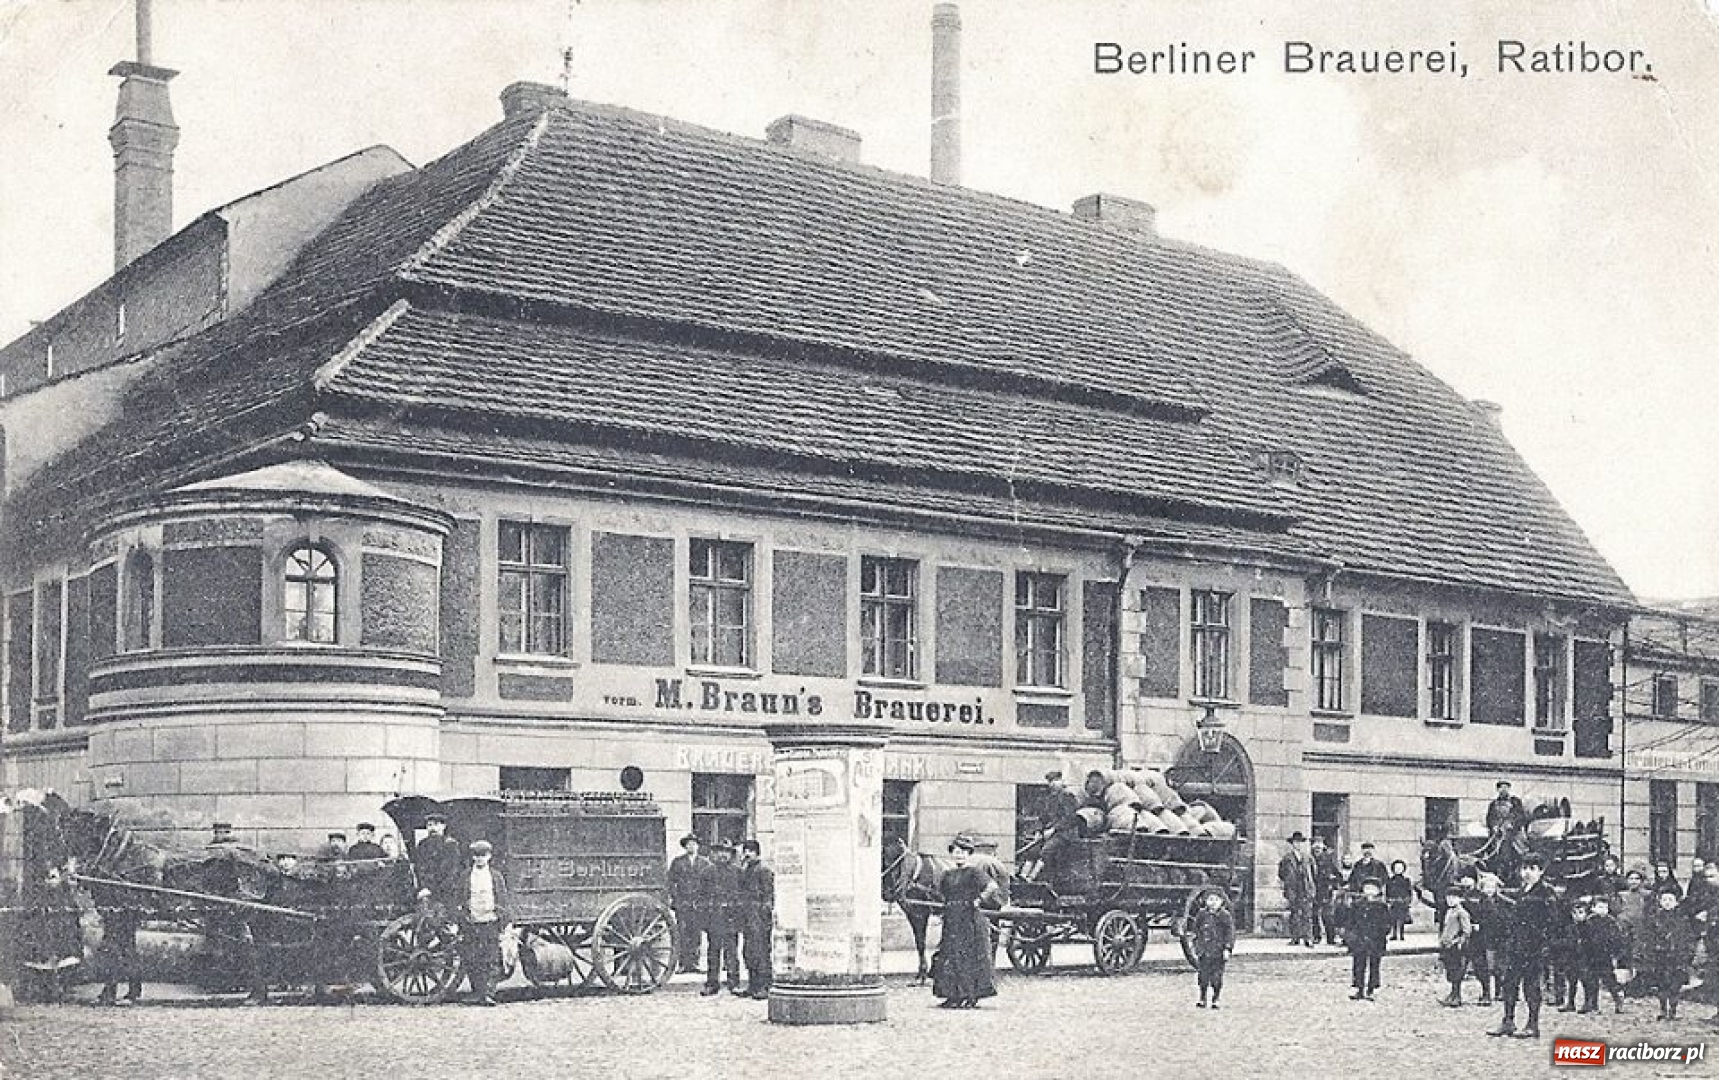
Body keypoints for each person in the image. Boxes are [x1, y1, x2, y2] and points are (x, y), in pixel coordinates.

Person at [1490, 852, 1556, 1039]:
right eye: (1524, 868)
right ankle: (1508, 1021)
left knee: (1531, 986)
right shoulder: (1522, 891)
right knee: (1509, 984)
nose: (1527, 873)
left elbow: (1552, 923)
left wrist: (1544, 946)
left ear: (1541, 871)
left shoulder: (1545, 893)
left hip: (1534, 948)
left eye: (1532, 869)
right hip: (1516, 946)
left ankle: (1532, 1024)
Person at [931, 834, 1001, 1009]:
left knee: (967, 957)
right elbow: (942, 894)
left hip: (970, 920)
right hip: (952, 919)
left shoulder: (974, 873)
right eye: (956, 852)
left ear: (969, 854)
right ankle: (952, 995)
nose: (959, 855)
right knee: (949, 955)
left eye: (962, 852)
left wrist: (979, 899)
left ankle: (970, 996)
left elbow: (992, 886)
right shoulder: (947, 875)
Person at [456, 840, 511, 1006]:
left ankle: (488, 993)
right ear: (473, 857)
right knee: (472, 959)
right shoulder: (466, 876)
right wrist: (462, 917)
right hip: (472, 922)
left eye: (483, 856)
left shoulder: (496, 876)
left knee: (491, 959)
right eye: (477, 856)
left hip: (490, 922)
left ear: (489, 856)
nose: (480, 859)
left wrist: (504, 920)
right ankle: (477, 992)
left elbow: (502, 898)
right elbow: (460, 897)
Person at [1638, 888, 1697, 1021]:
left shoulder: (1682, 920)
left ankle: (1673, 1011)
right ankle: (1663, 1009)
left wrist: (1687, 955)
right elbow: (1648, 938)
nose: (1667, 902)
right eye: (1664, 899)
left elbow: (1688, 938)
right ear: (1659, 902)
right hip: (1660, 957)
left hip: (1677, 958)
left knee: (1675, 985)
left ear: (1676, 902)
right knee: (1662, 984)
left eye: (1670, 899)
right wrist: (1650, 953)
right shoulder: (1654, 919)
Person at [1020, 771, 1082, 882]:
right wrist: (1038, 831)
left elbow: (1070, 818)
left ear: (1061, 782)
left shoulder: (1068, 797)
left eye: (1055, 781)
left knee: (1046, 850)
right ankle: (1023, 876)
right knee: (1032, 850)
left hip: (1065, 834)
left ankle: (1032, 877)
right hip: (1049, 833)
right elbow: (1043, 818)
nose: (1052, 784)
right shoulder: (1049, 799)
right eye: (1050, 781)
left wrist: (1054, 829)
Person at [700, 840, 742, 996]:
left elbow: (742, 895)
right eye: (719, 852)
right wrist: (705, 917)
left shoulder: (738, 872)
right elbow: (701, 896)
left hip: (731, 917)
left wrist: (738, 915)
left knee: (731, 952)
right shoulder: (707, 872)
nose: (723, 855)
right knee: (713, 952)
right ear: (714, 854)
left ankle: (734, 983)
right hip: (714, 917)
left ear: (730, 854)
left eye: (726, 852)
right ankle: (712, 983)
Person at [667, 833, 710, 974]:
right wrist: (675, 898)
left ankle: (695, 963)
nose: (691, 846)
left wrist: (704, 900)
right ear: (685, 846)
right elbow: (671, 882)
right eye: (689, 844)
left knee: (696, 933)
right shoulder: (677, 862)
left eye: (694, 844)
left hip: (698, 904)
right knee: (682, 933)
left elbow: (709, 883)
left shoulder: (705, 863)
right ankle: (683, 964)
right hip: (683, 903)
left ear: (698, 846)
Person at [1576, 894, 1626, 1015]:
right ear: (1593, 908)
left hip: (1604, 956)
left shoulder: (1611, 922)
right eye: (1599, 907)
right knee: (1590, 981)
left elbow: (1617, 938)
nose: (1603, 910)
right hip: (1590, 955)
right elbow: (1582, 936)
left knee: (1609, 980)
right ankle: (1592, 1005)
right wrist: (1580, 923)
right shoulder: (1589, 921)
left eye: (1605, 907)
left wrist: (1615, 953)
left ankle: (1618, 999)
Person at [737, 839, 774, 999]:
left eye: (750, 851)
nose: (747, 854)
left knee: (761, 952)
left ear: (757, 853)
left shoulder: (763, 870)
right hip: (748, 915)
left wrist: (764, 916)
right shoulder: (746, 869)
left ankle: (765, 986)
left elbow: (768, 895)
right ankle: (752, 986)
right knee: (749, 952)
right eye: (745, 850)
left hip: (759, 916)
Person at [1345, 877, 1391, 1000]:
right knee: (1359, 965)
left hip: (1375, 940)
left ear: (1378, 891)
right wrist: (1351, 936)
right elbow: (1351, 922)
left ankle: (1372, 989)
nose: (1369, 891)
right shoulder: (1357, 905)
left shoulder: (1382, 906)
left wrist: (1380, 934)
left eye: (1373, 889)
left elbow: (1386, 924)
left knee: (1374, 965)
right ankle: (1359, 988)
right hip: (1359, 939)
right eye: (1367, 888)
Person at [1189, 889, 1236, 1009]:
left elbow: (1230, 933)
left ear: (1221, 902)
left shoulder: (1225, 916)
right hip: (1204, 950)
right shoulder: (1202, 914)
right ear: (1206, 901)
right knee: (1203, 976)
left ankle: (1216, 998)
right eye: (1210, 899)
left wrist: (1227, 948)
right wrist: (1196, 944)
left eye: (1216, 900)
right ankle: (1202, 997)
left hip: (1218, 951)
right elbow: (1196, 930)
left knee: (1216, 977)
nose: (1213, 902)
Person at [413, 811, 463, 913]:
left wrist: (432, 890)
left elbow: (451, 873)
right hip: (424, 894)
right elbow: (419, 869)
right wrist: (423, 888)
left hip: (446, 893)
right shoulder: (422, 845)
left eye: (436, 824)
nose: (432, 828)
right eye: (429, 825)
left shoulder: (450, 845)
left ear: (443, 826)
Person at [1464, 872, 1502, 1006]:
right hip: (1480, 938)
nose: (1489, 890)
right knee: (1481, 966)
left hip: (1497, 938)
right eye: (1487, 887)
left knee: (1497, 965)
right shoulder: (1476, 901)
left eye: (1492, 887)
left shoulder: (1503, 902)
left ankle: (1499, 991)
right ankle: (1486, 992)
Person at [1436, 877, 1474, 1007]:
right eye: (1448, 897)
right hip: (1447, 945)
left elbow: (1467, 930)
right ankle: (1452, 994)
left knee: (1457, 971)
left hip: (1456, 947)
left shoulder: (1462, 913)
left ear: (1460, 899)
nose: (1450, 900)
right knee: (1450, 970)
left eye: (1453, 897)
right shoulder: (1448, 911)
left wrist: (1458, 942)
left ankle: (1457, 996)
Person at [1278, 831, 1317, 947]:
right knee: (1294, 913)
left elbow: (1314, 873)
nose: (1298, 844)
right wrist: (1288, 883)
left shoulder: (1308, 857)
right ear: (1292, 844)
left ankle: (1308, 938)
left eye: (1300, 842)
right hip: (1293, 889)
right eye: (1295, 842)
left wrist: (1310, 886)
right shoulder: (1287, 858)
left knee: (1307, 914)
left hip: (1305, 888)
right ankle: (1295, 937)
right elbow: (1281, 873)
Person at [1311, 836, 1342, 945]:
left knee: (1327, 915)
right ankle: (1316, 936)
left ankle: (1330, 937)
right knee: (1314, 915)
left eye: (1319, 846)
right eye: (1315, 846)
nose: (1317, 848)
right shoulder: (1309, 859)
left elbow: (1338, 875)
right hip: (1313, 890)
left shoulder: (1328, 860)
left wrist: (1333, 884)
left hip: (1325, 891)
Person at [1385, 860, 1414, 942]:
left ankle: (1401, 934)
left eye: (1400, 868)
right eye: (1396, 868)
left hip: (1402, 902)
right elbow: (1388, 892)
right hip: (1393, 902)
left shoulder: (1406, 880)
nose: (1398, 869)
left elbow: (1409, 892)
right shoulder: (1390, 880)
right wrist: (1389, 900)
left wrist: (1407, 901)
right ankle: (1394, 934)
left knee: (1402, 919)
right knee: (1393, 919)